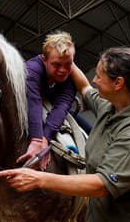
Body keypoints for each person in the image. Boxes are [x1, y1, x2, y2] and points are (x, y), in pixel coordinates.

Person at [0, 47, 130, 222]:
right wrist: (65, 55)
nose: (94, 79)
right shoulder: (111, 107)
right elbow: (84, 87)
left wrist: (39, 179)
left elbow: (101, 185)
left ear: (118, 83)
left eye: (99, 76)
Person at [18, 31, 91, 170]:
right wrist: (37, 140)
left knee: (91, 130)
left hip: (56, 106)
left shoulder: (70, 76)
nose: (63, 70)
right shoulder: (32, 69)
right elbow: (33, 101)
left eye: (68, 64)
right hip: (30, 102)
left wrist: (45, 138)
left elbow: (62, 105)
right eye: (56, 65)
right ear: (44, 60)